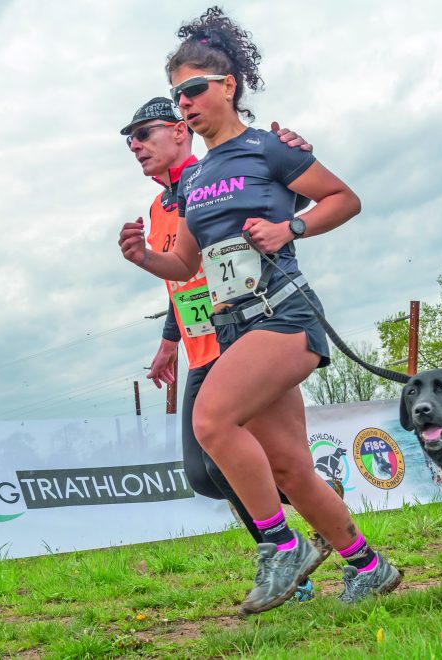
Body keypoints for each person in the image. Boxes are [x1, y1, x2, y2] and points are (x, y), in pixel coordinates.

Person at [119, 6, 401, 614]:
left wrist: (289, 226)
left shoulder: (268, 148)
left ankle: (279, 544)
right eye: (177, 94)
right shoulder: (194, 183)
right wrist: (146, 257)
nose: (185, 103)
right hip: (234, 324)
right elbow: (187, 266)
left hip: (283, 316)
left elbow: (344, 198)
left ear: (228, 87)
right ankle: (369, 566)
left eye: (194, 89)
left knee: (211, 419)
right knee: (292, 468)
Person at [119, 96, 329, 602]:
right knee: (204, 473)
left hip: (249, 334)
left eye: (143, 133)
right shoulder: (157, 205)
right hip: (200, 343)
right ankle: (301, 528)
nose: (134, 145)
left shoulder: (216, 172)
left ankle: (294, 550)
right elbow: (187, 273)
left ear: (177, 131)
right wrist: (170, 340)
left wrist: (293, 150)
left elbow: (279, 193)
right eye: (129, 139)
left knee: (233, 462)